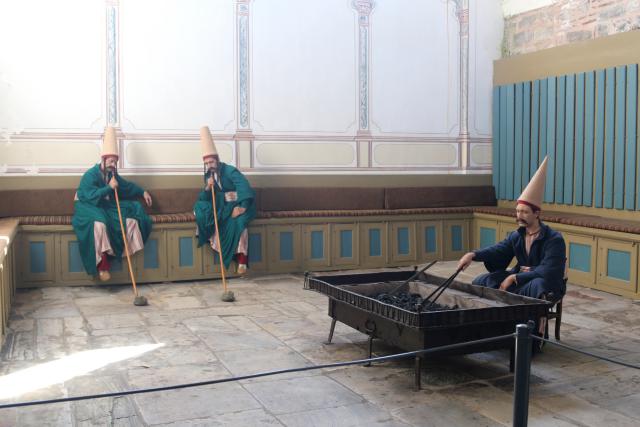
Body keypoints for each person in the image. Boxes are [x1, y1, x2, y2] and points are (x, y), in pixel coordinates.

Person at [457, 157, 566, 300]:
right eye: (518, 211)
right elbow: (498, 250)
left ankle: (532, 314)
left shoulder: (553, 239)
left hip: (543, 281)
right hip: (520, 278)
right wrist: (473, 255)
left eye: (525, 212)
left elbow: (549, 269)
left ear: (536, 214)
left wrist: (515, 277)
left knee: (538, 286)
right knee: (483, 280)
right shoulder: (517, 235)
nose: (519, 216)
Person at [72, 126, 153, 281]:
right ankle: (102, 266)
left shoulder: (112, 174)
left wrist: (142, 192)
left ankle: (120, 251)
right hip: (86, 206)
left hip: (102, 206)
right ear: (103, 159)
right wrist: (108, 188)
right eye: (111, 161)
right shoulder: (90, 175)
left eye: (115, 162)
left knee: (133, 210)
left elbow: (126, 186)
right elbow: (90, 196)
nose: (113, 164)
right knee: (100, 224)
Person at [193, 126, 256, 274]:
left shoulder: (230, 171)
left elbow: (244, 188)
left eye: (211, 162)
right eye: (207, 164)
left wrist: (242, 207)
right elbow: (206, 198)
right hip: (225, 207)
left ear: (217, 160)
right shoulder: (208, 175)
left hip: (241, 204)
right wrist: (208, 188)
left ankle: (242, 259)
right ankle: (208, 234)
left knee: (239, 223)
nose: (209, 166)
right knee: (202, 208)